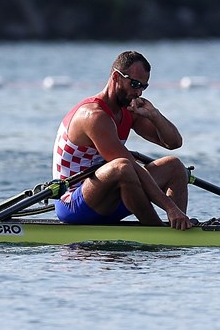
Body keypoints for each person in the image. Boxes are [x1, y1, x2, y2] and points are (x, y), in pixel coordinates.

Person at [51, 50, 192, 230]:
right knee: (122, 167)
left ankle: (179, 226)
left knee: (174, 166)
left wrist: (154, 115)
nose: (139, 92)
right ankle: (157, 230)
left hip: (108, 198)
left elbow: (173, 143)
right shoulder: (93, 116)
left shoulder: (128, 111)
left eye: (143, 87)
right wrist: (170, 207)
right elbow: (130, 167)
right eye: (134, 84)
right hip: (74, 204)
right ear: (116, 78)